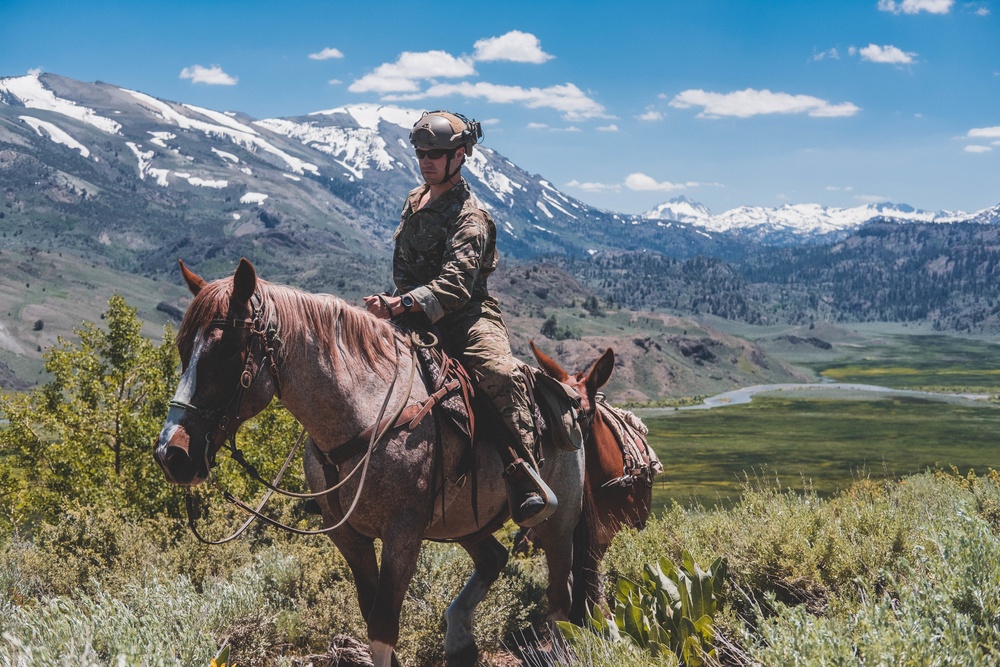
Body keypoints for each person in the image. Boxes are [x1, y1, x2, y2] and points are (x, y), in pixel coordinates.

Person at [363, 110, 557, 528]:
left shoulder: (470, 216)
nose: (426, 160)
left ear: (460, 155)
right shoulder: (414, 201)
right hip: (411, 310)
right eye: (421, 153)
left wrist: (401, 305)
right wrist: (394, 304)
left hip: (465, 317)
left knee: (498, 373)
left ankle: (524, 475)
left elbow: (455, 285)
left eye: (436, 152)